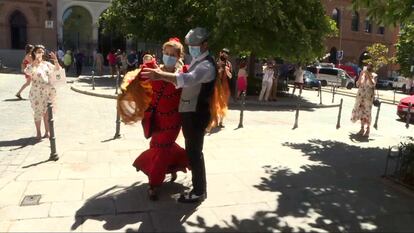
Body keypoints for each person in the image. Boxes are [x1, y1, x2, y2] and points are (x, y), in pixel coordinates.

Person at [141, 27, 216, 203]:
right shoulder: (197, 61)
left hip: (195, 116)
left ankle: (198, 191)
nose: (192, 48)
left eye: (195, 45)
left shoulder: (205, 65)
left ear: (205, 45)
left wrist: (160, 75)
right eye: (190, 45)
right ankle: (192, 183)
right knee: (191, 152)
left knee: (194, 153)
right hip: (184, 115)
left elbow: (186, 80)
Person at [119, 39, 190, 201]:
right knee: (160, 147)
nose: (169, 56)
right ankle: (173, 166)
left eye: (173, 54)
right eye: (166, 53)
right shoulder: (152, 70)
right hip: (156, 120)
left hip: (173, 121)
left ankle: (154, 183)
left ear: (179, 56)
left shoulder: (183, 74)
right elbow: (135, 84)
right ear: (162, 53)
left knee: (162, 147)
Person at [24, 45, 61, 140]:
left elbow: (58, 70)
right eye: (38, 51)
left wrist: (55, 60)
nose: (41, 53)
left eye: (42, 51)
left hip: (48, 93)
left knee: (46, 113)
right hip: (36, 93)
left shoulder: (46, 64)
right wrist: (34, 63)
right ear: (34, 53)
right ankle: (38, 133)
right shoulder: (32, 65)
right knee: (38, 113)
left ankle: (47, 132)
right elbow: (27, 72)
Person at [351, 63, 376, 137]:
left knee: (367, 114)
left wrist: (368, 75)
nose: (368, 67)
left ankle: (368, 129)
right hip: (360, 98)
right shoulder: (362, 75)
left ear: (372, 68)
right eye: (367, 66)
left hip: (368, 99)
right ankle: (361, 129)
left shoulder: (374, 75)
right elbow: (357, 84)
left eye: (370, 66)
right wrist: (360, 75)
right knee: (361, 113)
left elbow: (372, 84)